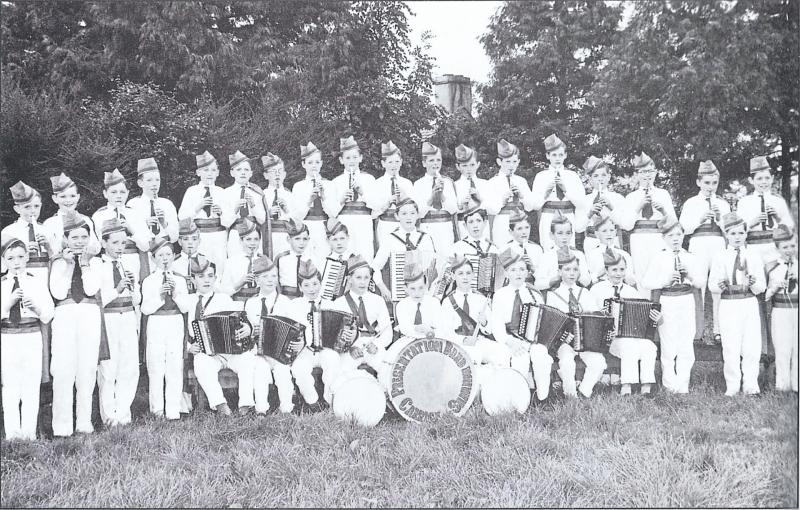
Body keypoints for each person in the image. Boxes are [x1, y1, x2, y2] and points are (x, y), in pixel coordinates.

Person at [49, 211, 104, 436]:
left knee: (87, 368)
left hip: (89, 313)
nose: (80, 242)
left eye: (84, 237)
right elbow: (58, 292)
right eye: (74, 237)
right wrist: (70, 265)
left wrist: (85, 264)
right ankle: (62, 426)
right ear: (65, 239)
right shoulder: (58, 263)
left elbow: (91, 289)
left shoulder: (96, 262)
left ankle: (84, 422)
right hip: (65, 314)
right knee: (63, 369)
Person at [182, 255, 256, 416]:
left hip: (231, 351)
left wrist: (247, 328)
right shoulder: (187, 301)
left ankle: (245, 404)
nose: (206, 280)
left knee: (248, 360)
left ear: (215, 278)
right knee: (201, 364)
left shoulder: (224, 298)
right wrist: (188, 347)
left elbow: (241, 319)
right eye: (201, 277)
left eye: (210, 276)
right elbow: (179, 329)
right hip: (206, 352)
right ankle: (220, 404)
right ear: (192, 280)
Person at [642, 216, 706, 394]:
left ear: (684, 235)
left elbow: (701, 282)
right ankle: (670, 384)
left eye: (678, 234)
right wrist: (665, 280)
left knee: (686, 342)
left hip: (686, 299)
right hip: (667, 300)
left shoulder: (691, 258)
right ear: (664, 238)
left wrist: (690, 276)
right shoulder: (659, 258)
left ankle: (683, 384)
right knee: (668, 342)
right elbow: (646, 282)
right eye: (670, 236)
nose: (675, 239)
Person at [1, 237, 54, 440]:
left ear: (27, 258)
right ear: (3, 260)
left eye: (20, 257)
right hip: (8, 337)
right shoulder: (2, 284)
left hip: (31, 335)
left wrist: (36, 308)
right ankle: (13, 434)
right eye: (10, 258)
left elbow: (48, 314)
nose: (16, 262)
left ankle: (29, 433)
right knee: (10, 385)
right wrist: (8, 304)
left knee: (31, 384)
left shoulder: (35, 282)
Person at [708, 212, 766, 396]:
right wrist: (719, 285)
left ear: (746, 233)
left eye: (741, 233)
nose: (737, 237)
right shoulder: (720, 256)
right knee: (730, 346)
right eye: (733, 233)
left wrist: (753, 283)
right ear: (726, 234)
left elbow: (761, 287)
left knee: (751, 345)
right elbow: (712, 285)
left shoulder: (753, 255)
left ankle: (751, 385)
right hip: (729, 304)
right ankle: (732, 385)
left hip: (748, 302)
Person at [589, 247, 661, 395]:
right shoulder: (597, 290)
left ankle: (646, 385)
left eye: (622, 269)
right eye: (614, 270)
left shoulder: (631, 291)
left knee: (649, 346)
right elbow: (590, 315)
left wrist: (656, 318)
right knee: (629, 346)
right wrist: (603, 318)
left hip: (632, 336)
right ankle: (627, 385)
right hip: (608, 339)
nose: (618, 273)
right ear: (606, 271)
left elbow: (645, 315)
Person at [490, 247, 553, 401]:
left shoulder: (534, 294)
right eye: (513, 270)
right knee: (520, 360)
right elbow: (497, 325)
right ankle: (520, 399)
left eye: (521, 269)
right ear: (506, 273)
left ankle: (542, 397)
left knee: (541, 356)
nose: (518, 273)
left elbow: (543, 321)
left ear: (527, 273)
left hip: (533, 339)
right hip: (511, 339)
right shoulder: (500, 295)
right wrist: (510, 341)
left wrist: (536, 339)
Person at [679, 160, 731, 345]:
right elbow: (684, 228)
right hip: (698, 243)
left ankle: (719, 331)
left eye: (714, 183)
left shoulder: (723, 204)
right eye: (707, 183)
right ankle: (697, 331)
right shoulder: (691, 203)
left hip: (718, 243)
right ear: (698, 182)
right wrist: (700, 219)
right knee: (698, 284)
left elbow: (730, 230)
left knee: (718, 285)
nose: (710, 187)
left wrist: (719, 218)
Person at [97, 218, 141, 427]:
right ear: (103, 243)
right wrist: (117, 289)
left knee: (129, 366)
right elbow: (97, 298)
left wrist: (133, 288)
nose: (120, 247)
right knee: (108, 368)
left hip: (128, 316)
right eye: (115, 243)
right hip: (109, 317)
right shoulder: (97, 265)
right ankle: (109, 417)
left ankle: (123, 414)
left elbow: (137, 299)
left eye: (123, 243)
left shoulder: (128, 263)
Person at [140, 237, 191, 420]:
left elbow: (185, 307)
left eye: (168, 254)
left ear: (174, 256)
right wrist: (160, 297)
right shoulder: (149, 281)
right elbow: (145, 309)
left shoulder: (180, 280)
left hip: (175, 321)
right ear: (153, 258)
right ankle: (157, 410)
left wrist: (175, 293)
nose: (165, 259)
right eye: (160, 255)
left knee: (175, 366)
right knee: (156, 366)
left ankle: (173, 410)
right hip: (156, 322)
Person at [281, 259, 342, 409]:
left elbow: (340, 329)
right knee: (299, 368)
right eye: (306, 285)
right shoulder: (294, 306)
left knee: (333, 360)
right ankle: (312, 402)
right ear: (300, 287)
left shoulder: (330, 304)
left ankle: (330, 400)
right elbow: (290, 331)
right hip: (304, 350)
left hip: (326, 348)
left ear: (321, 284)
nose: (312, 289)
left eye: (315, 284)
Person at [546, 250, 606, 398]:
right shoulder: (553, 295)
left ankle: (585, 391)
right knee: (567, 362)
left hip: (586, 340)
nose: (571, 273)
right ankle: (570, 394)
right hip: (565, 341)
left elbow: (595, 317)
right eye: (567, 269)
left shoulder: (585, 293)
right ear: (559, 272)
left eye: (575, 269)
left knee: (599, 362)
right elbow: (551, 323)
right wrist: (562, 335)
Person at [244, 255, 298, 414]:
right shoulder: (251, 303)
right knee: (260, 370)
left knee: (282, 371)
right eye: (265, 277)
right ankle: (261, 409)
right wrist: (252, 331)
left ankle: (286, 408)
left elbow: (295, 328)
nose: (270, 280)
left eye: (274, 276)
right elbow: (247, 328)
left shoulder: (285, 302)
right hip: (259, 351)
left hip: (279, 351)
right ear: (257, 280)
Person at [440, 254, 510, 373]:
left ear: (473, 275)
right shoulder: (447, 302)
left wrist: (484, 322)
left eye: (468, 273)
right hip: (458, 343)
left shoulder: (481, 299)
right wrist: (463, 340)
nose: (465, 277)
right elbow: (445, 332)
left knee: (503, 352)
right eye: (460, 273)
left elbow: (489, 329)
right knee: (474, 357)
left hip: (479, 340)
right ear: (453, 276)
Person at [620, 152, 677, 287]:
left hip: (659, 238)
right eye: (644, 172)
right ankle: (644, 299)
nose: (647, 175)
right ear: (637, 174)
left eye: (650, 171)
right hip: (639, 239)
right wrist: (638, 207)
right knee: (642, 274)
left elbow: (674, 224)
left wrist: (663, 211)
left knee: (660, 272)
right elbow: (626, 225)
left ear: (655, 173)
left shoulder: (663, 194)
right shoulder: (631, 197)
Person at [332, 255, 393, 374]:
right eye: (358, 277)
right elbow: (335, 335)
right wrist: (350, 348)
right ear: (349, 279)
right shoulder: (339, 303)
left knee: (388, 371)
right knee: (342, 372)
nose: (363, 282)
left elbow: (388, 332)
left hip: (373, 345)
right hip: (351, 349)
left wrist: (376, 345)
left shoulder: (378, 300)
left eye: (366, 277)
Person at [371, 197, 437, 301]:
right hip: (399, 294)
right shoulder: (390, 239)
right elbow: (375, 267)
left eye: (412, 213)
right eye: (404, 214)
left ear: (417, 215)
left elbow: (433, 268)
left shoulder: (426, 238)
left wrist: (431, 290)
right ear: (397, 216)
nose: (408, 217)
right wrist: (383, 289)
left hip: (423, 296)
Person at [91, 169, 151, 283]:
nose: (118, 196)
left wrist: (131, 230)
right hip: (108, 262)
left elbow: (145, 246)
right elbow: (96, 245)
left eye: (122, 192)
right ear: (105, 194)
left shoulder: (134, 214)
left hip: (132, 260)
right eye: (113, 192)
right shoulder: (99, 216)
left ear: (128, 193)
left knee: (132, 289)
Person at [529, 134, 585, 251]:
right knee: (549, 250)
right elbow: (535, 206)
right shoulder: (541, 176)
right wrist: (546, 194)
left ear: (565, 155)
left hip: (568, 216)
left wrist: (566, 190)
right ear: (547, 156)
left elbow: (581, 204)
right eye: (554, 155)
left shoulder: (573, 176)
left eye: (560, 155)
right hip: (548, 216)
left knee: (568, 250)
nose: (557, 158)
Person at [126, 157, 180, 278]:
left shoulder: (167, 204)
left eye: (157, 180)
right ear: (140, 183)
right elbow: (130, 232)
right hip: (144, 251)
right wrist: (144, 225)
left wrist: (164, 223)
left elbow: (175, 237)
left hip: (165, 252)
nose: (154, 184)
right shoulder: (133, 204)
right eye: (149, 180)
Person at [736, 155, 795, 265]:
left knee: (776, 274)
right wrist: (753, 222)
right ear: (751, 180)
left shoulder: (778, 201)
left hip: (775, 248)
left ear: (772, 178)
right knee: (756, 274)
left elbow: (790, 227)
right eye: (759, 179)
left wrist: (778, 218)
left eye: (767, 178)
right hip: (752, 248)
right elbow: (737, 229)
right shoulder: (744, 202)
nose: (764, 182)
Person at [177, 150, 228, 274]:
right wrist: (198, 207)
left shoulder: (222, 192)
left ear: (218, 173)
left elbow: (229, 218)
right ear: (198, 172)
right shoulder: (192, 191)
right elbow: (182, 216)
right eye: (205, 170)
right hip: (200, 236)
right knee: (201, 265)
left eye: (213, 170)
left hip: (218, 236)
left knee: (219, 265)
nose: (209, 174)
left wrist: (221, 213)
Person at [330, 136, 376, 260]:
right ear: (341, 160)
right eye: (348, 158)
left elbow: (376, 207)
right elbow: (331, 212)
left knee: (365, 255)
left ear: (360, 158)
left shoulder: (369, 179)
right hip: (344, 222)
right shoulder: (336, 182)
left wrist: (362, 193)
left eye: (355, 157)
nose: (352, 161)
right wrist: (341, 200)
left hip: (363, 223)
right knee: (345, 256)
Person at [291, 142, 339, 262]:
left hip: (324, 228)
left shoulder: (329, 184)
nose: (314, 166)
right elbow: (296, 216)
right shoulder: (298, 186)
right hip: (305, 228)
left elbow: (334, 213)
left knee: (323, 259)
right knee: (306, 260)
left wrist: (323, 197)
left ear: (321, 163)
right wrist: (309, 201)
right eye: (310, 162)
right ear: (303, 164)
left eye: (317, 162)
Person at [765, 225, 798, 392]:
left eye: (792, 246)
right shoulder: (771, 267)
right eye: (785, 247)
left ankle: (796, 385)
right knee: (782, 348)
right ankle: (782, 386)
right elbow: (764, 296)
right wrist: (776, 287)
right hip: (780, 311)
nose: (789, 250)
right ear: (777, 248)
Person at [485, 139, 535, 247]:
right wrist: (502, 201)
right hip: (502, 225)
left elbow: (530, 207)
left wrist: (521, 196)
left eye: (514, 162)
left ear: (518, 162)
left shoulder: (521, 181)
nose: (511, 165)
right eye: (507, 162)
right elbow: (490, 209)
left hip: (521, 225)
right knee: (504, 252)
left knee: (521, 252)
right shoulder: (492, 182)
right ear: (499, 162)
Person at [4, 181, 56, 281]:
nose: (33, 211)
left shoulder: (47, 230)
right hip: (19, 280)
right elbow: (3, 265)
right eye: (27, 207)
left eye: (36, 206)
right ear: (17, 209)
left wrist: (48, 248)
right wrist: (22, 252)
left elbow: (57, 260)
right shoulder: (8, 232)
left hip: (46, 279)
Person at [414, 141, 459, 255]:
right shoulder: (418, 184)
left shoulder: (448, 182)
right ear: (424, 163)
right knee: (427, 259)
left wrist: (442, 195)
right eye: (431, 160)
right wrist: (432, 197)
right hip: (426, 227)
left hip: (445, 228)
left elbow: (453, 210)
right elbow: (418, 213)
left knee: (446, 259)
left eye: (438, 160)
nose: (435, 163)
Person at [368, 141, 415, 248]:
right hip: (385, 225)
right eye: (390, 162)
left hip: (404, 226)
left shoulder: (407, 183)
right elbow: (373, 213)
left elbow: (415, 208)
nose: (394, 165)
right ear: (383, 163)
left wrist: (404, 197)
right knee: (386, 252)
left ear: (401, 162)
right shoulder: (377, 184)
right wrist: (387, 203)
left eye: (397, 161)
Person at [221, 150, 266, 259]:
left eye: (246, 170)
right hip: (236, 234)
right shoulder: (226, 193)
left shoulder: (257, 192)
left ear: (251, 173)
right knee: (236, 263)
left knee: (255, 263)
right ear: (232, 173)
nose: (243, 173)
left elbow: (263, 220)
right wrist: (235, 210)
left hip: (254, 236)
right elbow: (224, 222)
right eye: (239, 170)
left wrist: (253, 206)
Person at [43, 173, 101, 257]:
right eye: (63, 197)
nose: (68, 200)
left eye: (72, 196)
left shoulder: (86, 220)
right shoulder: (49, 223)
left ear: (78, 197)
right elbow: (48, 250)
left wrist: (90, 249)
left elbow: (96, 245)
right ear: (55, 199)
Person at [577, 156, 624, 252]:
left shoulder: (617, 198)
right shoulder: (584, 200)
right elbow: (578, 228)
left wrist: (611, 207)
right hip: (592, 242)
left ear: (609, 177)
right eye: (595, 176)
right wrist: (590, 213)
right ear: (590, 179)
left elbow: (624, 224)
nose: (600, 179)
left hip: (612, 240)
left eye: (603, 175)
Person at [533, 215, 591, 291]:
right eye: (560, 233)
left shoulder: (578, 255)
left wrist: (577, 274)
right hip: (555, 294)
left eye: (568, 233)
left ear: (572, 234)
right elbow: (538, 284)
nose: (564, 237)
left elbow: (587, 281)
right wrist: (555, 279)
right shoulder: (547, 256)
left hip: (575, 292)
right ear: (551, 235)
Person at [220, 219, 264, 307]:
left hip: (258, 306)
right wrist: (240, 283)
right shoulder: (231, 262)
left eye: (256, 239)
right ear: (241, 241)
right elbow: (223, 293)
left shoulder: (264, 261)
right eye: (248, 239)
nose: (252, 243)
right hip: (237, 305)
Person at [394, 262, 443, 340]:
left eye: (421, 288)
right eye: (412, 289)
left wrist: (429, 329)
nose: (417, 293)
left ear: (426, 285)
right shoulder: (402, 305)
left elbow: (440, 326)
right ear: (405, 288)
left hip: (431, 339)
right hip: (408, 340)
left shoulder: (434, 303)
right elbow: (404, 328)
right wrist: (416, 328)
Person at [261, 152, 296, 258]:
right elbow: (258, 218)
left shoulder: (290, 195)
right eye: (273, 171)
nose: (277, 174)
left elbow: (297, 219)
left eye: (280, 171)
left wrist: (287, 210)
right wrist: (268, 214)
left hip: (286, 237)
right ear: (266, 175)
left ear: (284, 174)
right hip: (268, 237)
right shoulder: (262, 195)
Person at [584, 215, 635, 287]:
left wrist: (625, 275)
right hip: (599, 287)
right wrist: (599, 274)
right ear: (597, 234)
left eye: (611, 230)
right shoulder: (591, 255)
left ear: (615, 232)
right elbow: (587, 279)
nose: (609, 234)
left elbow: (630, 279)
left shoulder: (624, 254)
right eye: (604, 231)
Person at [453, 144, 490, 238]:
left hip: (483, 226)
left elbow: (492, 208)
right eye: (464, 165)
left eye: (472, 165)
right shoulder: (454, 186)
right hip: (463, 227)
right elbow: (451, 210)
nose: (469, 169)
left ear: (478, 164)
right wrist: (461, 205)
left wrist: (480, 198)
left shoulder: (485, 184)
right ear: (458, 166)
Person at [501, 208, 543, 286]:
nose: (524, 232)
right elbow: (502, 278)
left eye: (527, 227)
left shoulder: (537, 249)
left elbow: (543, 277)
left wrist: (532, 268)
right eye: (519, 229)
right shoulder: (505, 249)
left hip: (533, 288)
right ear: (511, 232)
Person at [274, 219, 315, 299]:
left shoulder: (312, 258)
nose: (301, 243)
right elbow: (275, 281)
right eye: (297, 239)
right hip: (286, 298)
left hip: (306, 298)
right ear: (289, 239)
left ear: (309, 239)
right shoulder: (281, 258)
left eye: (305, 239)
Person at [173, 218, 213, 295]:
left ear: (199, 241)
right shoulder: (173, 263)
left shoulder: (207, 262)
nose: (190, 243)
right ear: (180, 242)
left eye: (194, 239)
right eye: (186, 239)